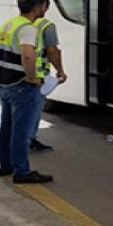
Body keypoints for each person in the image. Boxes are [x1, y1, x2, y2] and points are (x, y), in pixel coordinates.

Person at [0, 0, 54, 184]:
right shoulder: (27, 28)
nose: (45, 10)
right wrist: (32, 77)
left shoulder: (9, 24)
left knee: (6, 127)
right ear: (37, 8)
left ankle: (5, 165)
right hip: (21, 85)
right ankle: (22, 172)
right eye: (44, 7)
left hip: (3, 83)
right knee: (22, 132)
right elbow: (27, 55)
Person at [28, 9, 67, 151]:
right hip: (36, 76)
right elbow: (52, 50)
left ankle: (6, 139)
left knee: (16, 111)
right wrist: (60, 71)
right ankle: (29, 140)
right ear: (40, 7)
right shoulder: (46, 26)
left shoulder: (14, 23)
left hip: (15, 75)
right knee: (34, 110)